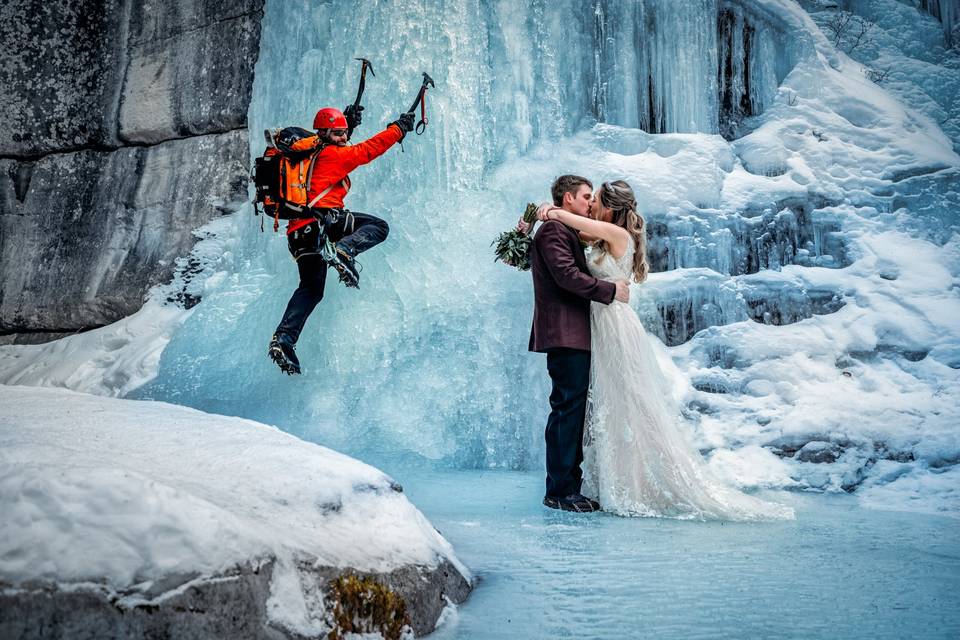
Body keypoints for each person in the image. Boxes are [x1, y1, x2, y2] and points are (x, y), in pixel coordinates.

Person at [537, 180, 794, 520]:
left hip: (613, 320)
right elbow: (568, 241)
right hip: (597, 323)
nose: (591, 204)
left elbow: (576, 226)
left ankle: (625, 480)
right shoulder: (597, 234)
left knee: (629, 399)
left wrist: (549, 210)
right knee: (604, 403)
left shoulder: (615, 235)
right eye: (588, 198)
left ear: (610, 208)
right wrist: (535, 220)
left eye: (595, 199)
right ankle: (589, 482)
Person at [268, 107, 415, 375]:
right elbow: (366, 151)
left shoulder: (308, 155)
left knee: (311, 289)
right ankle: (345, 251)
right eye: (338, 133)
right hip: (325, 223)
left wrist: (348, 124)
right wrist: (398, 129)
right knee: (378, 226)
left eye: (344, 133)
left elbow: (334, 153)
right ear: (323, 134)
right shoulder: (331, 154)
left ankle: (283, 339)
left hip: (299, 235)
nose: (343, 137)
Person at [529, 175, 631, 513]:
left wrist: (530, 221)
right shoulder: (555, 231)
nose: (591, 203)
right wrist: (611, 291)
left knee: (572, 410)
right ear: (568, 198)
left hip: (578, 332)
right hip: (566, 331)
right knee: (567, 410)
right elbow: (567, 277)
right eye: (586, 197)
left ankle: (568, 485)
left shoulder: (568, 230)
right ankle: (560, 490)